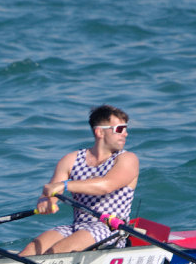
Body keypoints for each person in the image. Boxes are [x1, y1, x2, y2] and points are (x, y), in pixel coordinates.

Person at [18, 105, 138, 256]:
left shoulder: (127, 159)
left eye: (125, 129)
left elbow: (106, 186)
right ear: (100, 132)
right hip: (77, 226)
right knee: (29, 251)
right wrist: (45, 202)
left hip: (109, 230)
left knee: (56, 252)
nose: (125, 134)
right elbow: (51, 192)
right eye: (120, 129)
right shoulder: (71, 160)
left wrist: (65, 185)